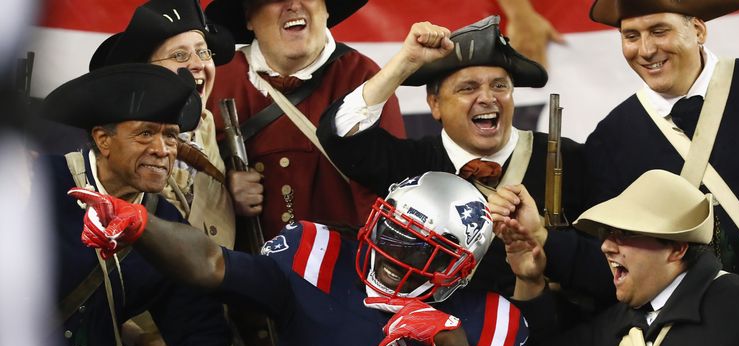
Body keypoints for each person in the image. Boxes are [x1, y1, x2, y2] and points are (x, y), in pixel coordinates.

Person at [69, 171, 530, 346]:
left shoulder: (489, 324)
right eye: (391, 230)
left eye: (418, 247)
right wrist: (141, 225)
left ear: (461, 266)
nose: (392, 252)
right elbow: (213, 264)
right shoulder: (319, 259)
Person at [317, 15, 586, 295]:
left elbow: (604, 267)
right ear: (434, 104)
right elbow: (340, 133)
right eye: (468, 88)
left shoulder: (570, 159)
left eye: (499, 86)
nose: (487, 97)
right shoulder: (410, 167)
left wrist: (544, 240)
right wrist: (405, 63)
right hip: (445, 335)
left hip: (551, 331)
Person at [493, 169, 739, 346]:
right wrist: (529, 281)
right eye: (607, 234)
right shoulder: (615, 324)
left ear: (676, 248)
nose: (606, 246)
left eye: (624, 235)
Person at [37, 63, 230, 346]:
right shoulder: (35, 183)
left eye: (171, 136)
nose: (162, 150)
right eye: (145, 134)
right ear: (103, 140)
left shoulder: (168, 226)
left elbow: (205, 332)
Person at [541, 0, 739, 293]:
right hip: (689, 328)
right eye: (631, 36)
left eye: (659, 31)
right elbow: (610, 259)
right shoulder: (609, 139)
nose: (646, 50)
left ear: (698, 29)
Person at [204, 0, 406, 240]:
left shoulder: (364, 78)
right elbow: (186, 188)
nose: (293, 5)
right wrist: (221, 195)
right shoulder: (216, 80)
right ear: (249, 16)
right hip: (248, 269)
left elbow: (390, 196)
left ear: (326, 7)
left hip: (342, 268)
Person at [90, 0, 238, 249]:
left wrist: (231, 194)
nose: (198, 64)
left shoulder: (207, 126)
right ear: (145, 73)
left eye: (203, 52)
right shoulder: (122, 141)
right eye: (180, 55)